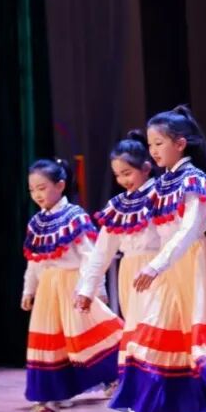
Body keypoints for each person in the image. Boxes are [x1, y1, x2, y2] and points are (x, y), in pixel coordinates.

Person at [99, 106, 206, 412]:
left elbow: (189, 229)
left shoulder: (194, 180)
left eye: (159, 143)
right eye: (151, 144)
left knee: (203, 344)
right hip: (169, 267)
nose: (153, 150)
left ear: (180, 143)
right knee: (152, 337)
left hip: (193, 265)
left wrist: (156, 265)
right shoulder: (163, 183)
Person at [20, 158, 122, 412]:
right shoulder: (36, 223)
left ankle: (119, 377)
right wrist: (29, 290)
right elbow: (34, 261)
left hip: (73, 287)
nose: (37, 194)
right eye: (32, 190)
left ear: (60, 185)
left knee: (90, 339)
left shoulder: (74, 217)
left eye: (42, 188)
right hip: (48, 291)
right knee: (48, 346)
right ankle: (48, 403)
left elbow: (92, 256)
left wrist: (94, 289)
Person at [76, 131, 159, 381]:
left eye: (127, 173)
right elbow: (101, 252)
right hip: (130, 274)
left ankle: (161, 386)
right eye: (118, 175)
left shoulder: (161, 196)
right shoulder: (118, 206)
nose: (122, 180)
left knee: (158, 329)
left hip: (158, 271)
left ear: (146, 168)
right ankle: (141, 386)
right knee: (136, 330)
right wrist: (87, 289)